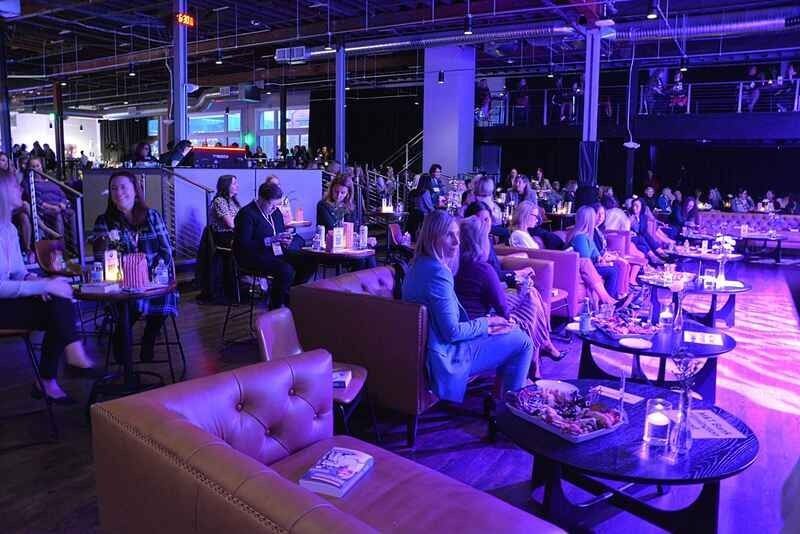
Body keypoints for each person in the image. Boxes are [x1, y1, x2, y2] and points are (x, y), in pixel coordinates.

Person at [401, 210, 533, 402]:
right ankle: (511, 411)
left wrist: (487, 324)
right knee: (523, 342)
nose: (457, 241)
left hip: (426, 348)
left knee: (508, 332)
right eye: (449, 235)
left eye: (457, 234)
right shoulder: (438, 274)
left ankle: (506, 399)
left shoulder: (417, 265)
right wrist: (487, 324)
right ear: (433, 237)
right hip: (443, 357)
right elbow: (452, 332)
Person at [0, 171, 94, 403]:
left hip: (8, 300)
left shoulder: (9, 229)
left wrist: (35, 281)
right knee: (56, 302)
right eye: (14, 187)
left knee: (59, 293)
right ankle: (62, 366)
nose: (20, 190)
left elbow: (18, 272)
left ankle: (58, 371)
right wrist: (41, 286)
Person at [457, 210, 563, 366]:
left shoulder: (454, 264)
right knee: (529, 295)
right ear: (480, 241)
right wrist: (522, 288)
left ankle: (538, 355)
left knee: (529, 296)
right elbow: (503, 310)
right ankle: (539, 350)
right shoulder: (483, 269)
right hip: (482, 324)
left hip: (469, 320)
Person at [92, 171, 178, 362]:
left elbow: (166, 250)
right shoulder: (104, 221)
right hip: (122, 283)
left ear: (135, 190)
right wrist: (105, 244)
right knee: (127, 309)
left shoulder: (152, 216)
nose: (118, 192)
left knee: (163, 297)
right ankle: (121, 346)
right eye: (114, 188)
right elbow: (99, 258)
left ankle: (148, 339)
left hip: (154, 279)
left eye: (123, 187)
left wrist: (155, 272)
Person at [233, 182, 313, 309]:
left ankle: (289, 295)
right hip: (251, 257)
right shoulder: (246, 214)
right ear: (261, 199)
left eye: (278, 205)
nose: (275, 208)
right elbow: (243, 244)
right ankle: (274, 307)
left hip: (274, 252)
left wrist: (284, 241)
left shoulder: (275, 213)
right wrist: (269, 240)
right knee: (285, 270)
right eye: (272, 204)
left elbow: (279, 234)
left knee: (308, 261)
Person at [567, 206, 622, 299]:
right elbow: (586, 261)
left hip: (591, 267)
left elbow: (596, 255)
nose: (597, 219)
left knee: (615, 268)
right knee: (612, 271)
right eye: (594, 217)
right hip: (581, 270)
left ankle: (615, 298)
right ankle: (610, 302)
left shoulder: (587, 236)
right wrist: (600, 262)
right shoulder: (580, 238)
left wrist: (601, 260)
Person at [23, 157, 77, 243]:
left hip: (60, 206)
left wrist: (62, 203)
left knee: (73, 213)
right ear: (29, 168)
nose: (36, 168)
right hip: (45, 209)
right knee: (57, 215)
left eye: (38, 165)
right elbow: (35, 200)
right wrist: (52, 207)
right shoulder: (29, 183)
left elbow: (61, 193)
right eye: (33, 166)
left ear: (41, 166)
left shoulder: (49, 179)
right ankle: (60, 249)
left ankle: (76, 247)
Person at [629, 197, 667, 265]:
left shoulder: (643, 217)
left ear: (642, 207)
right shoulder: (629, 216)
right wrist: (631, 222)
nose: (634, 208)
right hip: (631, 238)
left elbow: (643, 231)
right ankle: (654, 255)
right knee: (641, 239)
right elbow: (630, 229)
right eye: (633, 205)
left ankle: (657, 252)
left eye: (637, 206)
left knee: (646, 237)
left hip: (640, 238)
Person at [209, 175, 240, 248]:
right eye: (234, 183)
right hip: (224, 236)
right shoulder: (219, 201)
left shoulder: (233, 201)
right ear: (226, 185)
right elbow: (231, 224)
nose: (237, 185)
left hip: (232, 234)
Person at [407, 173, 436, 239]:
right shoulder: (425, 192)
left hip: (416, 214)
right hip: (424, 215)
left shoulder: (416, 191)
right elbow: (429, 207)